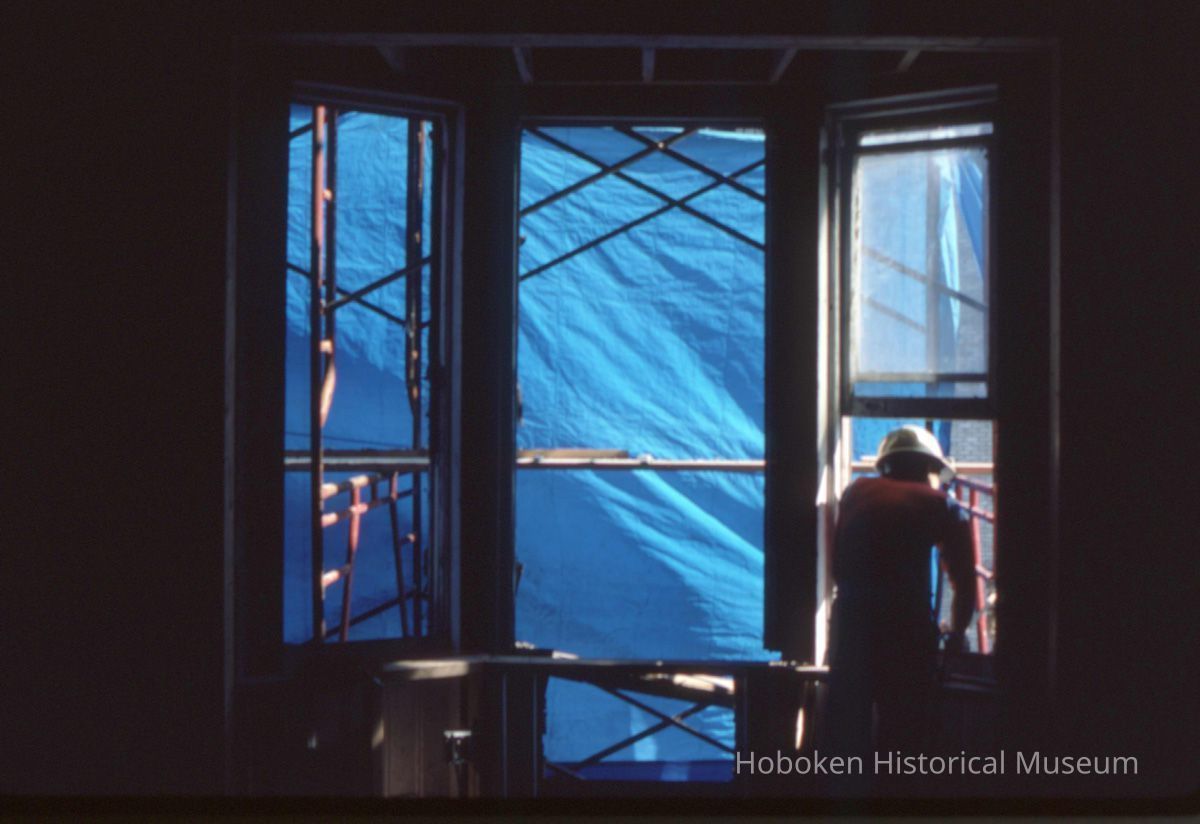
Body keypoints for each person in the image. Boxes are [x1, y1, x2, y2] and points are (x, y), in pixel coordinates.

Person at [824, 425, 976, 780]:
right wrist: (956, 631)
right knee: (904, 736)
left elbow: (839, 567)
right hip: (904, 632)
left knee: (848, 731)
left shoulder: (855, 492)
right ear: (931, 469)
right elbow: (964, 582)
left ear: (885, 465)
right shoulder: (943, 506)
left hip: (849, 624)